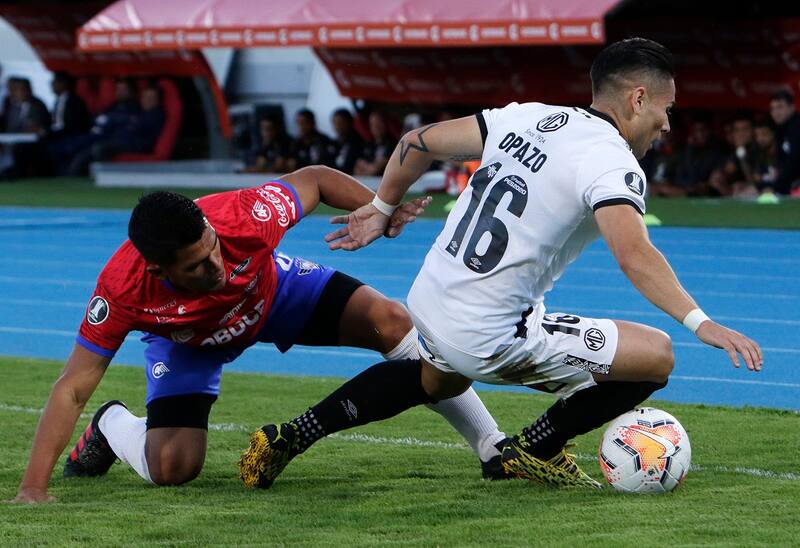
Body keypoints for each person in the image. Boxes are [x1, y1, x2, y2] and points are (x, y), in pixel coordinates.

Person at [240, 37, 763, 490]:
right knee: (657, 356)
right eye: (665, 109)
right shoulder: (611, 160)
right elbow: (633, 253)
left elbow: (415, 142)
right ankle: (535, 448)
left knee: (436, 378)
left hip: (430, 299)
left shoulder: (527, 116)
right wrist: (703, 322)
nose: (667, 124)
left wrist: (380, 208)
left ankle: (288, 435)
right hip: (491, 334)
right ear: (637, 98)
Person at [12, 164, 509, 504]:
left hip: (275, 295)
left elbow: (313, 180)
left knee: (394, 321)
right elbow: (74, 384)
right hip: (191, 343)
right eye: (199, 266)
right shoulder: (122, 289)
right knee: (172, 468)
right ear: (159, 270)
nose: (218, 265)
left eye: (214, 248)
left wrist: (379, 209)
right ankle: (112, 425)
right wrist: (33, 487)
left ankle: (493, 447)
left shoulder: (243, 216)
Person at [768, 90, 800, 195]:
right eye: (773, 108)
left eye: (780, 107)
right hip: (788, 183)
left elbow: (794, 161)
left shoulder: (797, 126)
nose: (776, 112)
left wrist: (776, 187)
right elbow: (782, 162)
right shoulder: (780, 130)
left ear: (792, 107)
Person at [354, 111, 397, 176]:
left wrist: (366, 168)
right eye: (372, 124)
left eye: (378, 123)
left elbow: (376, 169)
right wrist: (369, 168)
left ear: (385, 124)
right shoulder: (369, 144)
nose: (376, 127)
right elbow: (356, 168)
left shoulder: (393, 144)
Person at [330, 108, 364, 175]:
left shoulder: (357, 142)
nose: (337, 126)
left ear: (349, 122)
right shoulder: (333, 143)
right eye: (335, 123)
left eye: (340, 123)